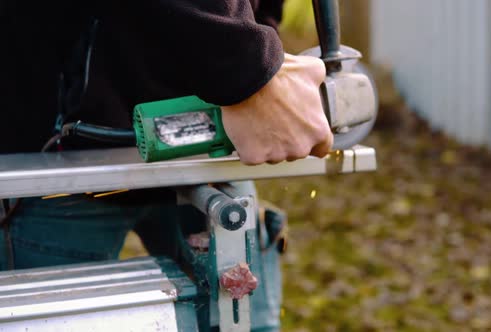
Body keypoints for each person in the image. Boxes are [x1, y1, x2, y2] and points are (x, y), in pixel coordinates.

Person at [0, 1, 333, 331]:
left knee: (248, 319)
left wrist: (259, 48)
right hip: (62, 159)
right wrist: (250, 66)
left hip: (210, 146)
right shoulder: (240, 64)